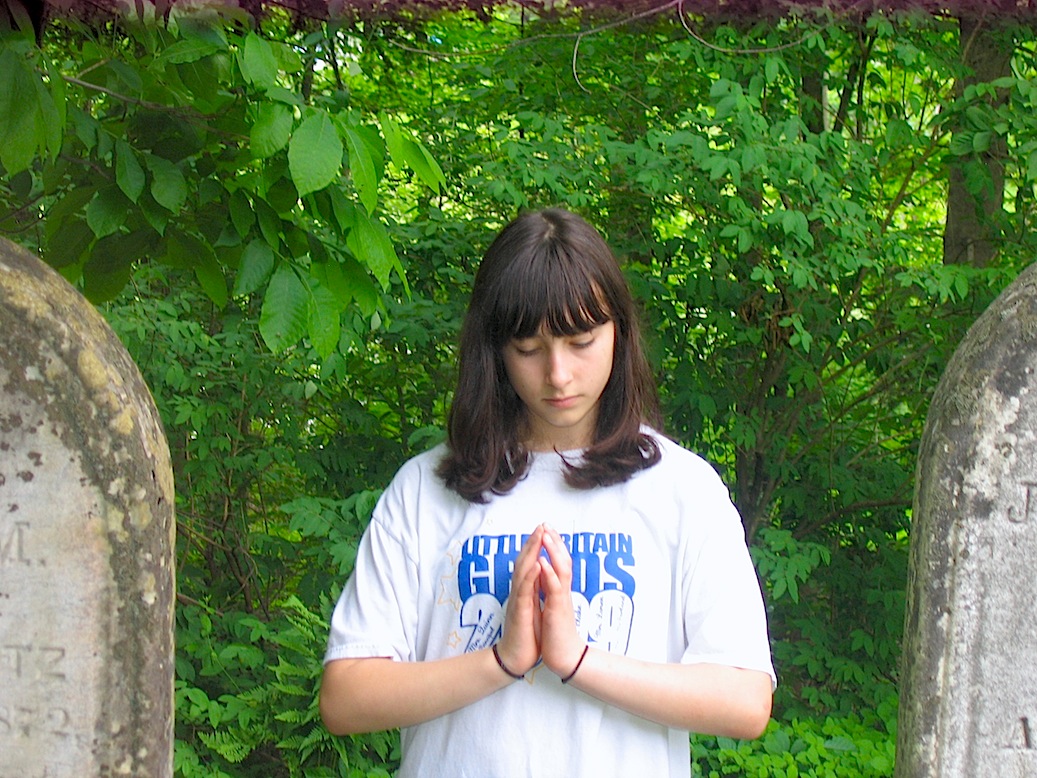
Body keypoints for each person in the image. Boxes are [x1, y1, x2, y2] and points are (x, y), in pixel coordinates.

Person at [319, 207, 775, 777]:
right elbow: (346, 697)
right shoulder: (425, 491)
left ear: (619, 333)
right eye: (529, 349)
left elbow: (744, 700)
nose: (558, 374)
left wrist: (577, 660)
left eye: (581, 341)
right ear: (494, 349)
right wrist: (501, 660)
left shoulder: (681, 489)